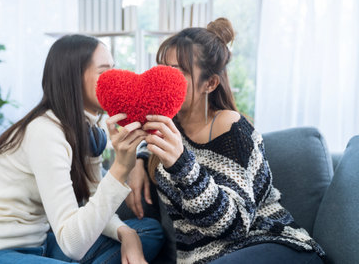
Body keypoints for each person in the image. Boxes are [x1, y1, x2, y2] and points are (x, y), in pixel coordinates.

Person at [125, 18, 325, 264]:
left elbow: (235, 226)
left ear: (209, 84)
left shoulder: (231, 126)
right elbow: (147, 144)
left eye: (180, 71)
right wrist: (139, 159)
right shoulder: (166, 129)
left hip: (270, 245)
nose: (165, 79)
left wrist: (181, 165)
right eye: (163, 68)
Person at [0, 34, 164, 264]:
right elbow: (73, 245)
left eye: (115, 69)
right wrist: (121, 168)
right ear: (72, 78)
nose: (115, 79)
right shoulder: (44, 132)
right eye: (104, 72)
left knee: (147, 231)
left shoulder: (87, 129)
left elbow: (94, 206)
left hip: (39, 245)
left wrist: (127, 235)